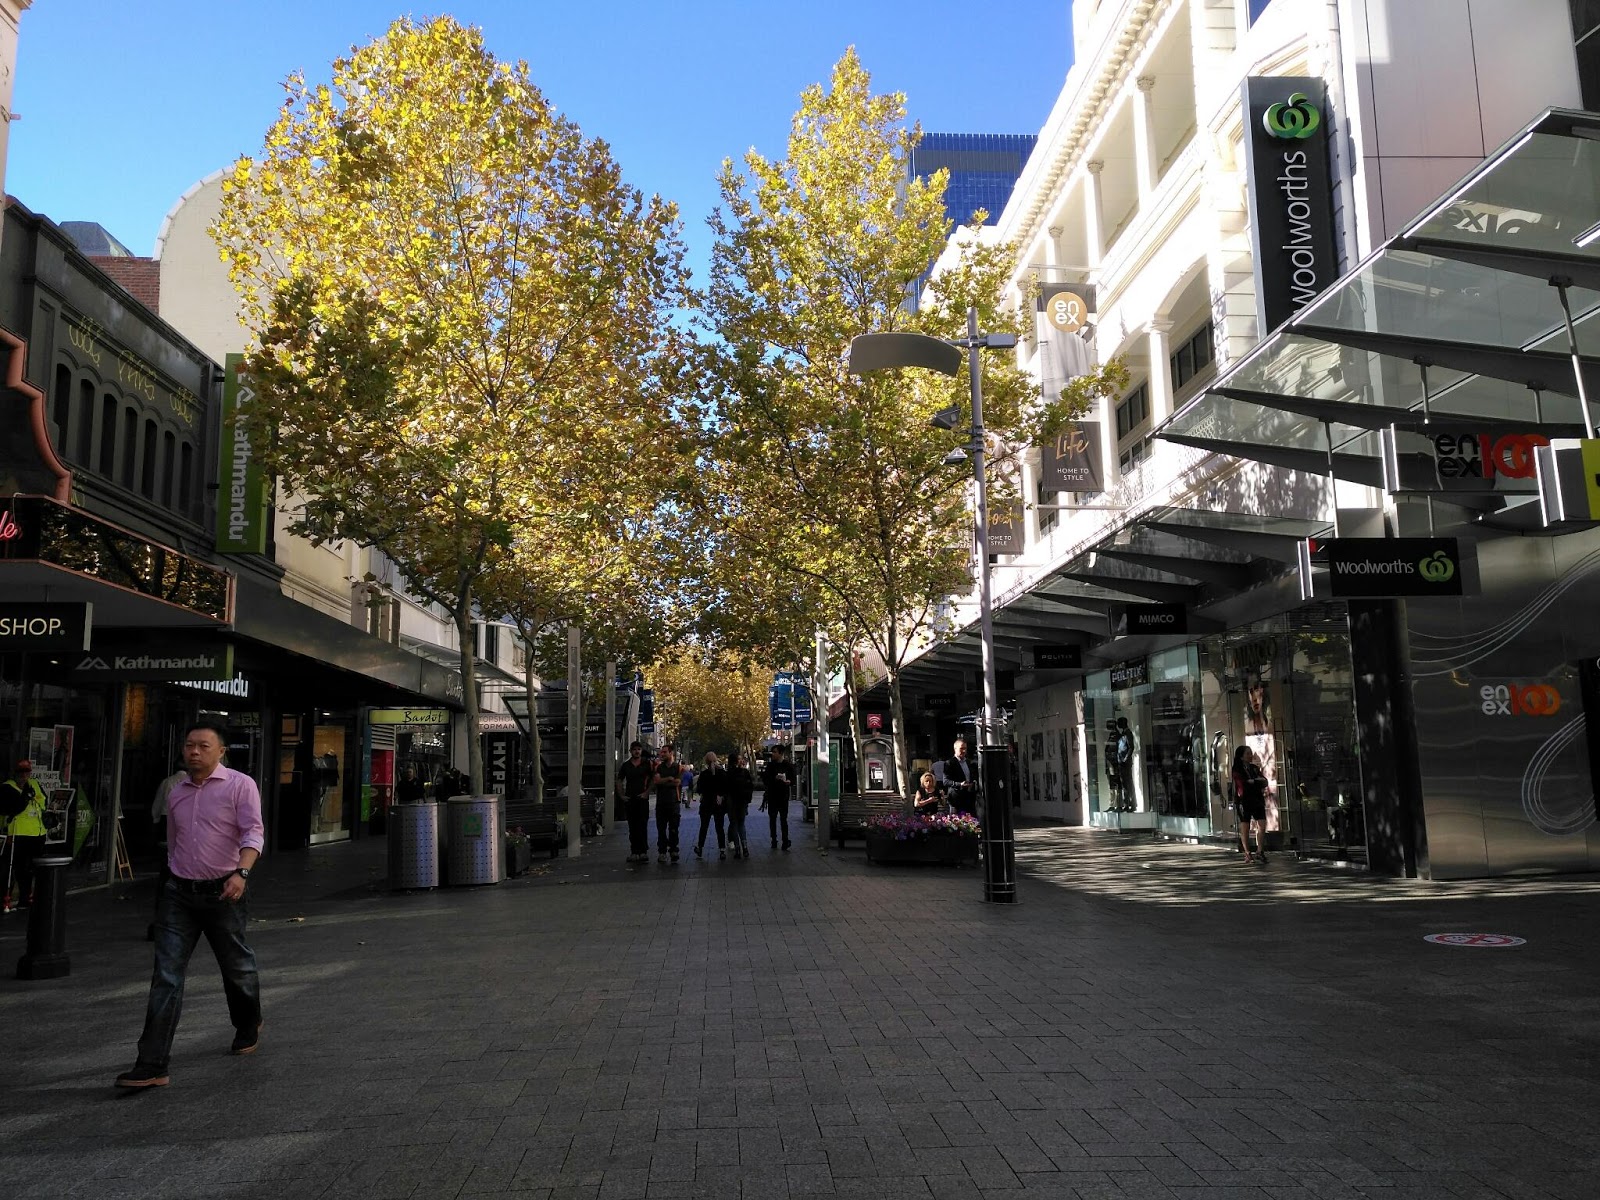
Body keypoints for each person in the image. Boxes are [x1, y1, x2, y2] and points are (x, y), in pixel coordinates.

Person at [115, 720, 265, 1089]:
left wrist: (241, 873)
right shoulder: (176, 791)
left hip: (225, 891)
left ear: (221, 751)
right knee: (166, 976)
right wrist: (170, 878)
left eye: (203, 745)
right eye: (189, 745)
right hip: (178, 893)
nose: (194, 751)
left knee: (236, 966)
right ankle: (152, 1064)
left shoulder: (240, 785)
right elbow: (174, 840)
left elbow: (253, 832)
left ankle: (248, 1021)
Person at [1, 759, 48, 912]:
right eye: (21, 772)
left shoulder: (34, 784)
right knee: (15, 869)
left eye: (27, 772)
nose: (24, 775)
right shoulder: (7, 787)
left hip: (37, 833)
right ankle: (6, 901)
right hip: (17, 833)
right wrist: (25, 797)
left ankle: (26, 899)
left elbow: (44, 801)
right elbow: (13, 808)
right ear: (15, 773)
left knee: (30, 870)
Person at [616, 741, 655, 863]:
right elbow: (619, 780)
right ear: (630, 751)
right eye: (634, 749)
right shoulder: (626, 765)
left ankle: (643, 852)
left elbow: (653, 778)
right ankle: (634, 851)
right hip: (630, 799)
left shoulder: (647, 764)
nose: (637, 751)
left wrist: (647, 792)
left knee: (642, 825)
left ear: (641, 750)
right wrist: (621, 795)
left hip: (642, 799)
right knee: (632, 826)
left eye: (639, 749)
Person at [1232, 745, 1269, 865]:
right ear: (1241, 756)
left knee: (1262, 824)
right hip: (1244, 801)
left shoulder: (1254, 768)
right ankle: (1247, 852)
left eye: (1250, 753)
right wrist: (1255, 782)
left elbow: (1264, 782)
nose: (1250, 756)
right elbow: (1242, 784)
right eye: (1247, 753)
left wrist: (1254, 782)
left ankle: (1260, 850)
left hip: (1257, 799)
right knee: (1245, 827)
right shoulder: (1237, 769)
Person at [651, 745, 683, 864]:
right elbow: (656, 781)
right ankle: (662, 852)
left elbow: (677, 782)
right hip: (661, 803)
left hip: (674, 802)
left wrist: (663, 781)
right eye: (661, 752)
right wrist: (669, 779)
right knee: (661, 829)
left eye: (664, 752)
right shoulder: (658, 767)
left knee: (674, 828)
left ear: (671, 753)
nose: (662, 754)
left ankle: (673, 850)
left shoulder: (678, 767)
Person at [694, 752, 727, 859]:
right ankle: (722, 849)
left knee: (704, 826)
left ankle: (700, 847)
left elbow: (699, 788)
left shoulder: (704, 774)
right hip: (718, 803)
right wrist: (721, 795)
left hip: (706, 802)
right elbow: (726, 786)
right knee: (719, 827)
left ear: (706, 762)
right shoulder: (722, 773)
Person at [761, 746, 795, 850]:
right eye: (773, 752)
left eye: (775, 752)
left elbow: (793, 778)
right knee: (772, 819)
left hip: (783, 796)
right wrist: (774, 778)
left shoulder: (788, 765)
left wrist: (789, 781)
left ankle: (785, 840)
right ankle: (774, 840)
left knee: (783, 819)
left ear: (780, 753)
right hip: (772, 796)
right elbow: (765, 779)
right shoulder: (771, 766)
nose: (773, 754)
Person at [724, 752, 755, 860]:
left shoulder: (728, 773)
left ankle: (737, 849)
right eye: (740, 759)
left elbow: (725, 789)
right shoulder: (744, 773)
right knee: (741, 824)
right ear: (736, 761)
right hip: (742, 802)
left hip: (732, 803)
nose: (742, 760)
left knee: (734, 824)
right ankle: (745, 847)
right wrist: (747, 800)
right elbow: (750, 786)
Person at [943, 738, 977, 818]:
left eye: (965, 748)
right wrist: (960, 784)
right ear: (955, 749)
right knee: (958, 821)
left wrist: (973, 783)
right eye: (961, 748)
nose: (964, 751)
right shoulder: (949, 763)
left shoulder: (969, 762)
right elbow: (946, 781)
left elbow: (973, 777)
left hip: (969, 797)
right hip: (956, 798)